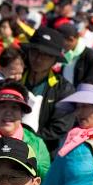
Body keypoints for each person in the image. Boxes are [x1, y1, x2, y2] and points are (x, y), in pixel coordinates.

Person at [21, 28, 75, 156]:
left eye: (47, 55)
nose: (38, 58)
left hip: (44, 154)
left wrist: (28, 139)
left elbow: (60, 127)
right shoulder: (13, 79)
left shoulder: (64, 89)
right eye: (35, 51)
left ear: (55, 60)